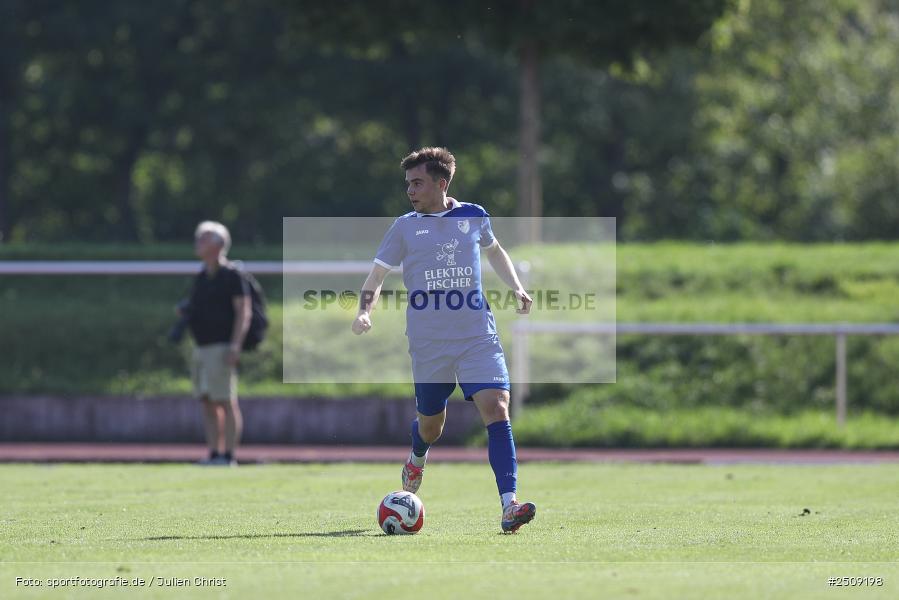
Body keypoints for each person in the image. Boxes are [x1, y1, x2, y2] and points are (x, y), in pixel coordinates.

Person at [352, 147, 536, 533]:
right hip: (429, 343)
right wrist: (365, 310)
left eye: (417, 183)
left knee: (497, 406)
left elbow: (496, 251)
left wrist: (517, 287)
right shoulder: (404, 226)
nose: (411, 191)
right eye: (408, 184)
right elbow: (377, 276)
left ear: (442, 183)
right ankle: (417, 457)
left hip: (476, 336)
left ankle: (509, 505)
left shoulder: (473, 215)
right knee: (432, 426)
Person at [181, 221, 250, 466]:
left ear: (219, 244)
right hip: (202, 347)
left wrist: (235, 345)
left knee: (225, 400)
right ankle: (213, 453)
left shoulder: (232, 275)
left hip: (222, 347)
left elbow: (243, 312)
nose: (198, 242)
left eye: (204, 238)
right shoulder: (201, 276)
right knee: (207, 401)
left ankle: (229, 455)